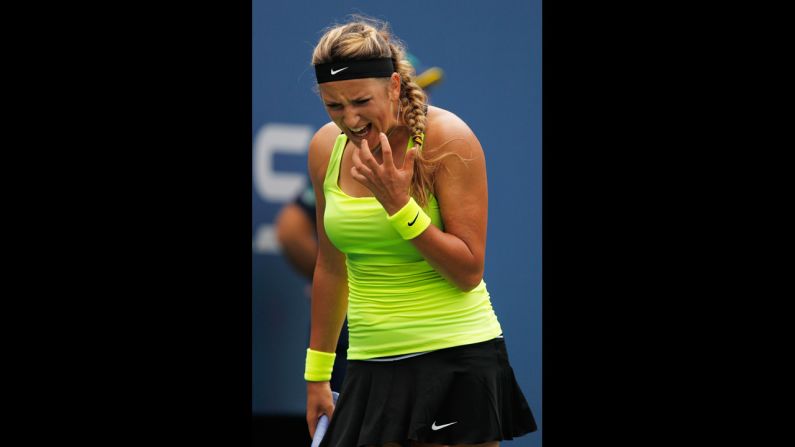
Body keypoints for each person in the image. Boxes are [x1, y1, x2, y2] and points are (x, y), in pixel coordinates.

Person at [303, 16, 537, 447]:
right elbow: (332, 267)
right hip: (369, 365)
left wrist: (399, 206)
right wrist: (317, 375)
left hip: (456, 362)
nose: (349, 119)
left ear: (393, 86)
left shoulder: (449, 139)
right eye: (333, 106)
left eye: (360, 101)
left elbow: (468, 271)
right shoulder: (323, 149)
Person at [276, 53, 445, 394]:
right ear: (394, 90)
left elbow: (468, 270)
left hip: (432, 341)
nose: (420, 101)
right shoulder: (341, 153)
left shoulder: (440, 144)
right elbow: (291, 229)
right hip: (359, 337)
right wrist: (341, 281)